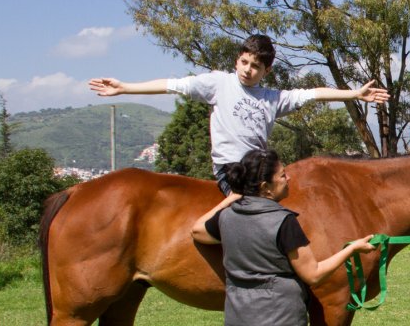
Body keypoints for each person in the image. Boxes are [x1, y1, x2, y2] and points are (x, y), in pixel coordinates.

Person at [89, 34, 389, 196]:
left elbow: (314, 93)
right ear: (237, 60)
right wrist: (125, 88)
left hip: (260, 173)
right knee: (252, 219)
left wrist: (353, 94)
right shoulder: (219, 83)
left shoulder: (272, 98)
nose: (247, 69)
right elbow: (172, 86)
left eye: (255, 66)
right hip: (230, 171)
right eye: (244, 62)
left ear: (266, 70)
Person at [190, 149, 375, 326]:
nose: (289, 178)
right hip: (280, 316)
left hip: (238, 317)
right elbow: (314, 274)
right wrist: (351, 249)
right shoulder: (284, 222)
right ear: (266, 188)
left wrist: (228, 201)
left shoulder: (226, 216)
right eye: (282, 175)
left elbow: (197, 230)